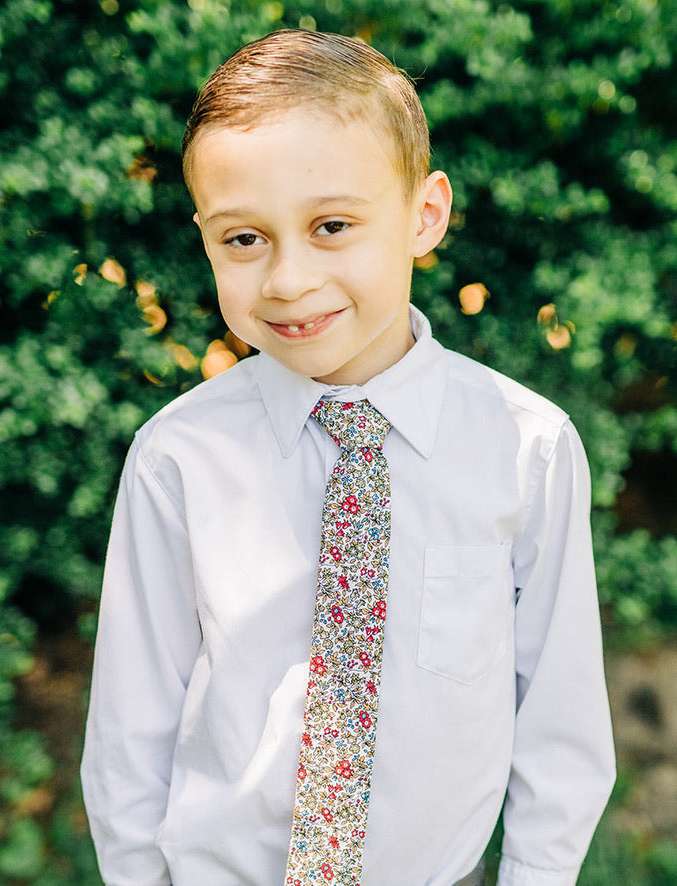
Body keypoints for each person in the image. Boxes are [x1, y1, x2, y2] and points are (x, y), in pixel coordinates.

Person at [81, 28, 615, 886]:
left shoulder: (528, 449)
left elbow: (560, 726)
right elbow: (128, 734)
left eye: (331, 225)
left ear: (423, 215)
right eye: (243, 239)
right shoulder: (176, 457)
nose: (288, 278)